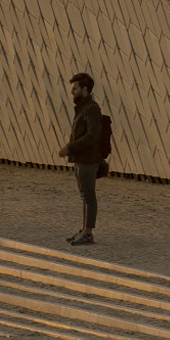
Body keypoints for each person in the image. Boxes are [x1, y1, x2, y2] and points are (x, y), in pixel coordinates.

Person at [60, 72, 105, 246]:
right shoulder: (83, 108)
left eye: (75, 89)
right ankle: (85, 229)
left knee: (89, 196)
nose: (72, 92)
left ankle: (88, 233)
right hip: (80, 159)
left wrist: (70, 148)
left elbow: (91, 136)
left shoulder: (92, 109)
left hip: (88, 159)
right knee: (84, 196)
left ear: (85, 89)